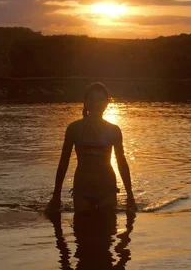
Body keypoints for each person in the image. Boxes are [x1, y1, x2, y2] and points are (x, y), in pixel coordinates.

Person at [46, 82, 137, 215]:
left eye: (100, 99)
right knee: (81, 234)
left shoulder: (114, 130)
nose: (96, 103)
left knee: (108, 233)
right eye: (91, 99)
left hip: (107, 190)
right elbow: (63, 163)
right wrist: (56, 195)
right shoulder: (74, 129)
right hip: (82, 191)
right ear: (85, 102)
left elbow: (122, 163)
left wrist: (130, 195)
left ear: (106, 103)